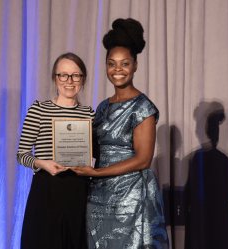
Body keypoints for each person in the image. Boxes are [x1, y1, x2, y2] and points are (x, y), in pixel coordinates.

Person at [71, 18, 169, 249]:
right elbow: (95, 148)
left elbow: (143, 159)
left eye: (124, 63)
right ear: (105, 66)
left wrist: (96, 171)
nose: (117, 70)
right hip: (99, 196)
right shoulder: (103, 106)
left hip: (131, 197)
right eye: (111, 63)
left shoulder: (143, 107)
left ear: (135, 65)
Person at [16, 52, 95, 249]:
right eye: (63, 75)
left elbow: (97, 153)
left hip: (80, 191)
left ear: (83, 79)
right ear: (55, 77)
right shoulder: (39, 110)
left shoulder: (90, 114)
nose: (69, 81)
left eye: (76, 75)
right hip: (47, 190)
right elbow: (22, 155)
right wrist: (42, 163)